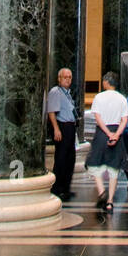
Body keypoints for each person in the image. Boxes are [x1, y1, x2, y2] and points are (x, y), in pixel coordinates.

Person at [86, 72, 128, 211]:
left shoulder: (99, 97)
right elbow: (124, 119)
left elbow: (97, 117)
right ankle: (110, 201)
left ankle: (101, 192)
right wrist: (116, 134)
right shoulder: (122, 99)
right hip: (117, 132)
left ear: (106, 82)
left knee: (94, 163)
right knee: (114, 168)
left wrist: (107, 132)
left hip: (102, 133)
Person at [47, 67, 77, 202]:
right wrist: (56, 129)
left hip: (70, 127)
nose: (68, 79)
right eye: (65, 77)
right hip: (62, 127)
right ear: (59, 78)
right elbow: (51, 112)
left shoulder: (68, 93)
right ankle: (57, 188)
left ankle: (66, 188)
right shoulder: (55, 92)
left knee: (70, 159)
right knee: (61, 159)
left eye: (70, 77)